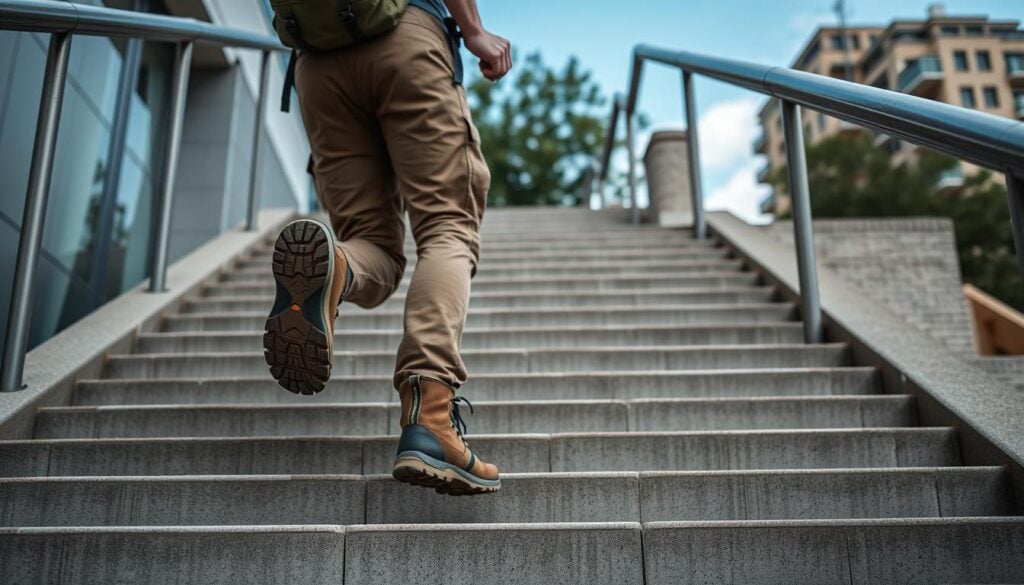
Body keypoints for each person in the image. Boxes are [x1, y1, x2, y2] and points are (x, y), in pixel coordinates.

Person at [262, 0, 511, 496]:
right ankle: (431, 417)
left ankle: (337, 266)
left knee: (372, 244)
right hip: (404, 40)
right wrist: (475, 30)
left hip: (317, 65)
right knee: (447, 228)